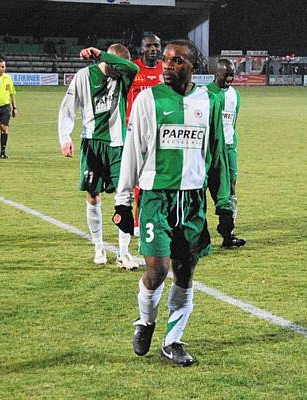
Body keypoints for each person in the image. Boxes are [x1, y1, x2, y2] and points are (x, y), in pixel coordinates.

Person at [113, 39, 233, 366]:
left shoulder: (210, 101)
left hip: (192, 200)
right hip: (156, 197)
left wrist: (224, 204)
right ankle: (146, 321)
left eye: (177, 61)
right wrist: (123, 202)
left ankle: (173, 340)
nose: (168, 66)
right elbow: (132, 151)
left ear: (194, 65)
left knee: (184, 272)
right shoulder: (147, 100)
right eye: (166, 61)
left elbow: (217, 155)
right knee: (157, 269)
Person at [58, 44, 140, 270]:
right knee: (93, 197)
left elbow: (131, 67)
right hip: (92, 145)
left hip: (118, 145)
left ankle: (124, 253)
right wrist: (65, 137)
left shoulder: (124, 76)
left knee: (124, 198)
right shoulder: (84, 76)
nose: (116, 71)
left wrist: (102, 55)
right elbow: (68, 107)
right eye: (112, 66)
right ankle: (98, 247)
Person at [206, 59, 247, 249]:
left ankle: (228, 232)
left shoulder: (235, 96)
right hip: (208, 149)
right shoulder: (205, 93)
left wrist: (231, 145)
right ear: (217, 72)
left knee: (231, 188)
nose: (230, 78)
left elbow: (232, 123)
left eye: (232, 74)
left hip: (228, 148)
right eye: (226, 74)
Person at [126, 33, 164, 237]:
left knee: (154, 179)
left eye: (156, 46)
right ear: (141, 48)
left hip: (158, 134)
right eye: (149, 45)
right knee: (134, 180)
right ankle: (134, 220)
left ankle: (149, 220)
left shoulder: (164, 70)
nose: (153, 49)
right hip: (133, 133)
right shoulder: (133, 69)